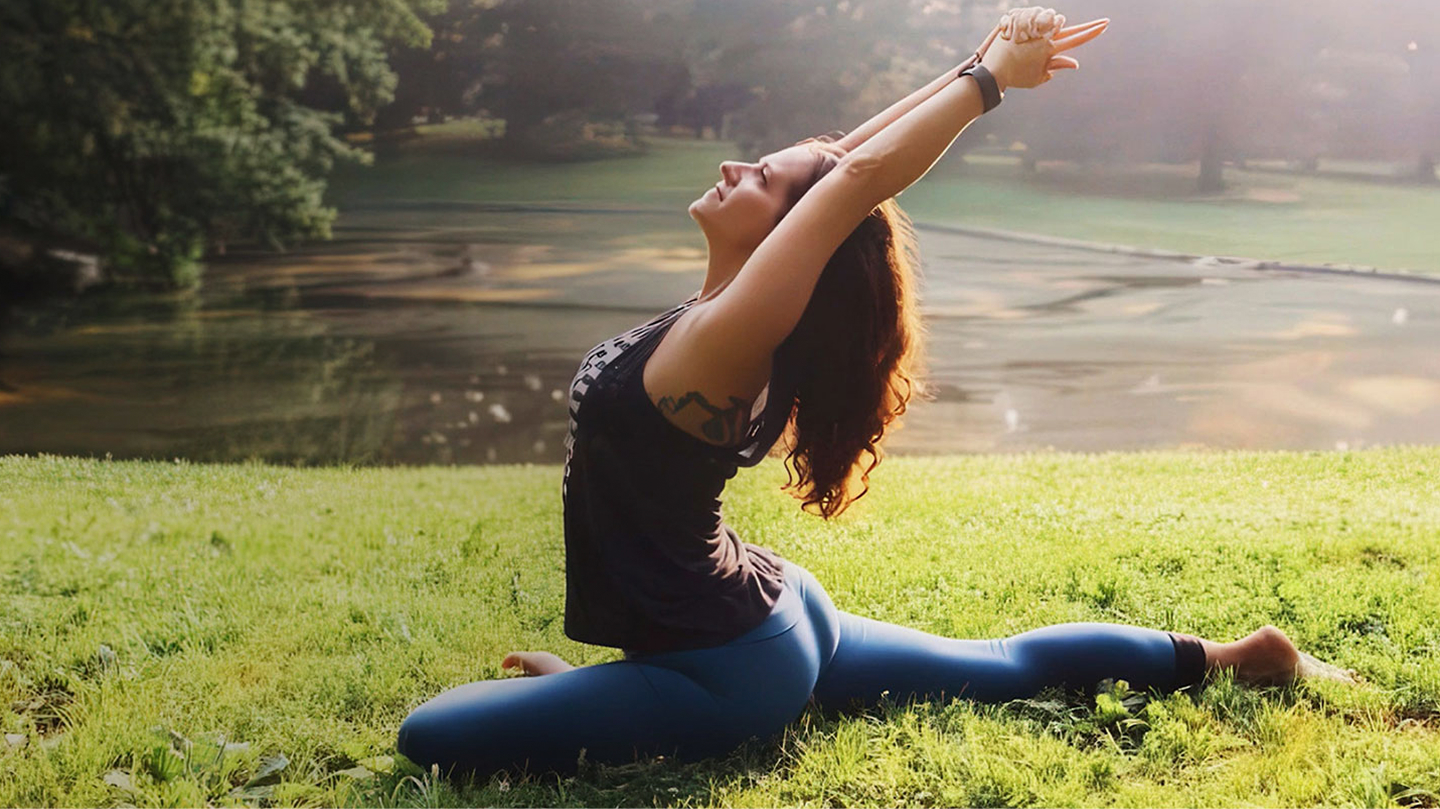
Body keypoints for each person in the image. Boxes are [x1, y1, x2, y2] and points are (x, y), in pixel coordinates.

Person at [396, 7, 1352, 782]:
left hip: (729, 665)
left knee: (430, 732)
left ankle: (605, 696)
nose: (734, 166)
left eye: (761, 177)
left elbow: (850, 181)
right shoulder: (727, 313)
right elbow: (841, 157)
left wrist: (987, 87)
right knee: (1002, 665)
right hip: (771, 609)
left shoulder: (728, 340)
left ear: (793, 235)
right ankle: (1237, 656)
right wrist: (974, 58)